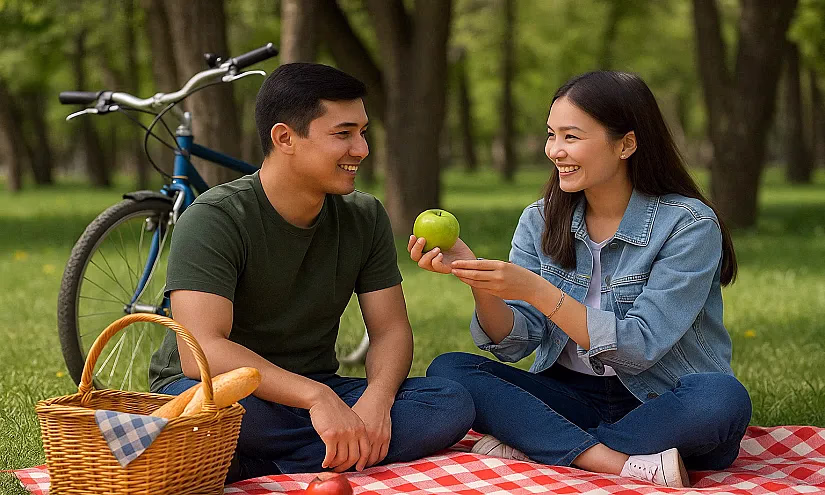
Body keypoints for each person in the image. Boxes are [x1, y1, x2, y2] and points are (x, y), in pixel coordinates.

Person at [410, 71, 752, 488]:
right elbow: (515, 342)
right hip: (569, 396)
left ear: (626, 143)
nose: (554, 151)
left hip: (661, 401)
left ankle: (543, 443)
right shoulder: (540, 219)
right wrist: (478, 280)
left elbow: (639, 347)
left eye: (571, 136)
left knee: (722, 400)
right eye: (551, 135)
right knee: (449, 369)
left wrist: (538, 290)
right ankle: (613, 460)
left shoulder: (688, 225)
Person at [149, 62, 474, 482]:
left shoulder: (364, 216)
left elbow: (391, 329)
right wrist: (315, 397)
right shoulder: (214, 217)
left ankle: (254, 466)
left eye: (363, 132)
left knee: (449, 402)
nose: (361, 148)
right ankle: (318, 452)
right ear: (285, 137)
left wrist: (374, 402)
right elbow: (203, 351)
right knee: (218, 418)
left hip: (317, 388)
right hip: (215, 392)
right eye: (343, 134)